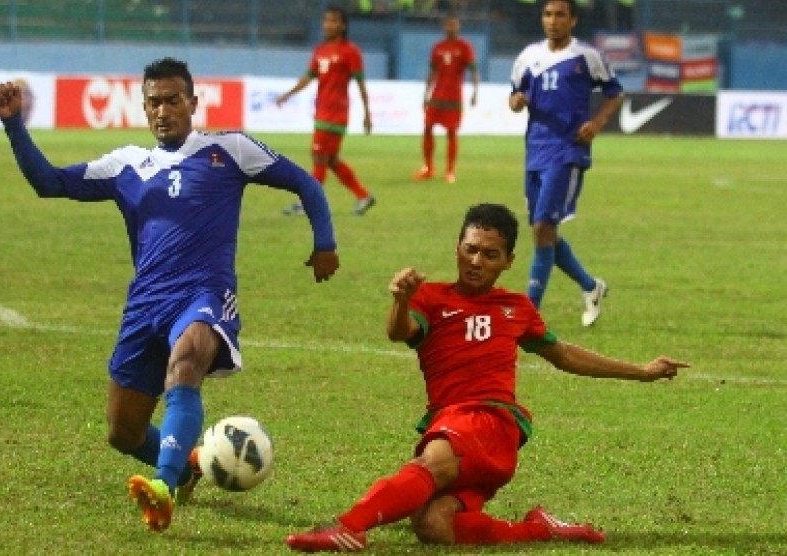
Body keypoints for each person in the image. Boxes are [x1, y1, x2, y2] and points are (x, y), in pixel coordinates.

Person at [0, 57, 340, 533]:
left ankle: (164, 485)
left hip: (204, 292)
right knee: (123, 431)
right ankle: (191, 462)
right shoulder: (127, 164)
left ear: (193, 102)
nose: (163, 111)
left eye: (173, 100)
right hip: (145, 303)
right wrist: (14, 124)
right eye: (153, 102)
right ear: (143, 107)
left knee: (186, 366)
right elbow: (48, 183)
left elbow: (304, 182)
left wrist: (324, 243)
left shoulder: (229, 149)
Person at [285, 203, 688, 552]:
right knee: (432, 524)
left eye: (490, 254)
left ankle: (347, 528)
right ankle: (539, 530)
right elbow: (400, 332)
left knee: (432, 463)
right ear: (457, 249)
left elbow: (563, 355)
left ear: (509, 261)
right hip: (451, 423)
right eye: (470, 250)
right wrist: (401, 300)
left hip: (490, 421)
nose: (477, 261)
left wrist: (642, 372)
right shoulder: (432, 298)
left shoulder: (516, 307)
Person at [509, 0, 624, 326]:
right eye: (547, 14)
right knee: (543, 231)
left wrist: (596, 123)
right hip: (535, 151)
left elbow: (615, 93)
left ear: (572, 20)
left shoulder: (586, 56)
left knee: (544, 227)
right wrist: (516, 101)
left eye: (560, 14)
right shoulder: (527, 58)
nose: (553, 20)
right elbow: (515, 98)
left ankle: (528, 313)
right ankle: (591, 286)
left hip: (568, 151)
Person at [276, 5, 376, 216]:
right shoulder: (320, 50)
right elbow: (308, 77)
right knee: (330, 160)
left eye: (333, 21)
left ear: (342, 25)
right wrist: (288, 94)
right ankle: (363, 196)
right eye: (326, 20)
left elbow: (360, 83)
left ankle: (307, 203)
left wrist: (367, 113)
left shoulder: (350, 51)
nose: (327, 25)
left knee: (319, 157)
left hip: (336, 114)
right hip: (322, 112)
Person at [413, 14, 479, 184]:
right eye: (448, 25)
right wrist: (425, 94)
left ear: (458, 27)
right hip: (436, 97)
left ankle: (450, 171)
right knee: (427, 128)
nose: (451, 28)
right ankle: (428, 168)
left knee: (451, 133)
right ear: (444, 27)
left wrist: (475, 91)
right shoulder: (438, 47)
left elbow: (473, 71)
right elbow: (432, 72)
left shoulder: (465, 47)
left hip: (454, 98)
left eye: (454, 25)